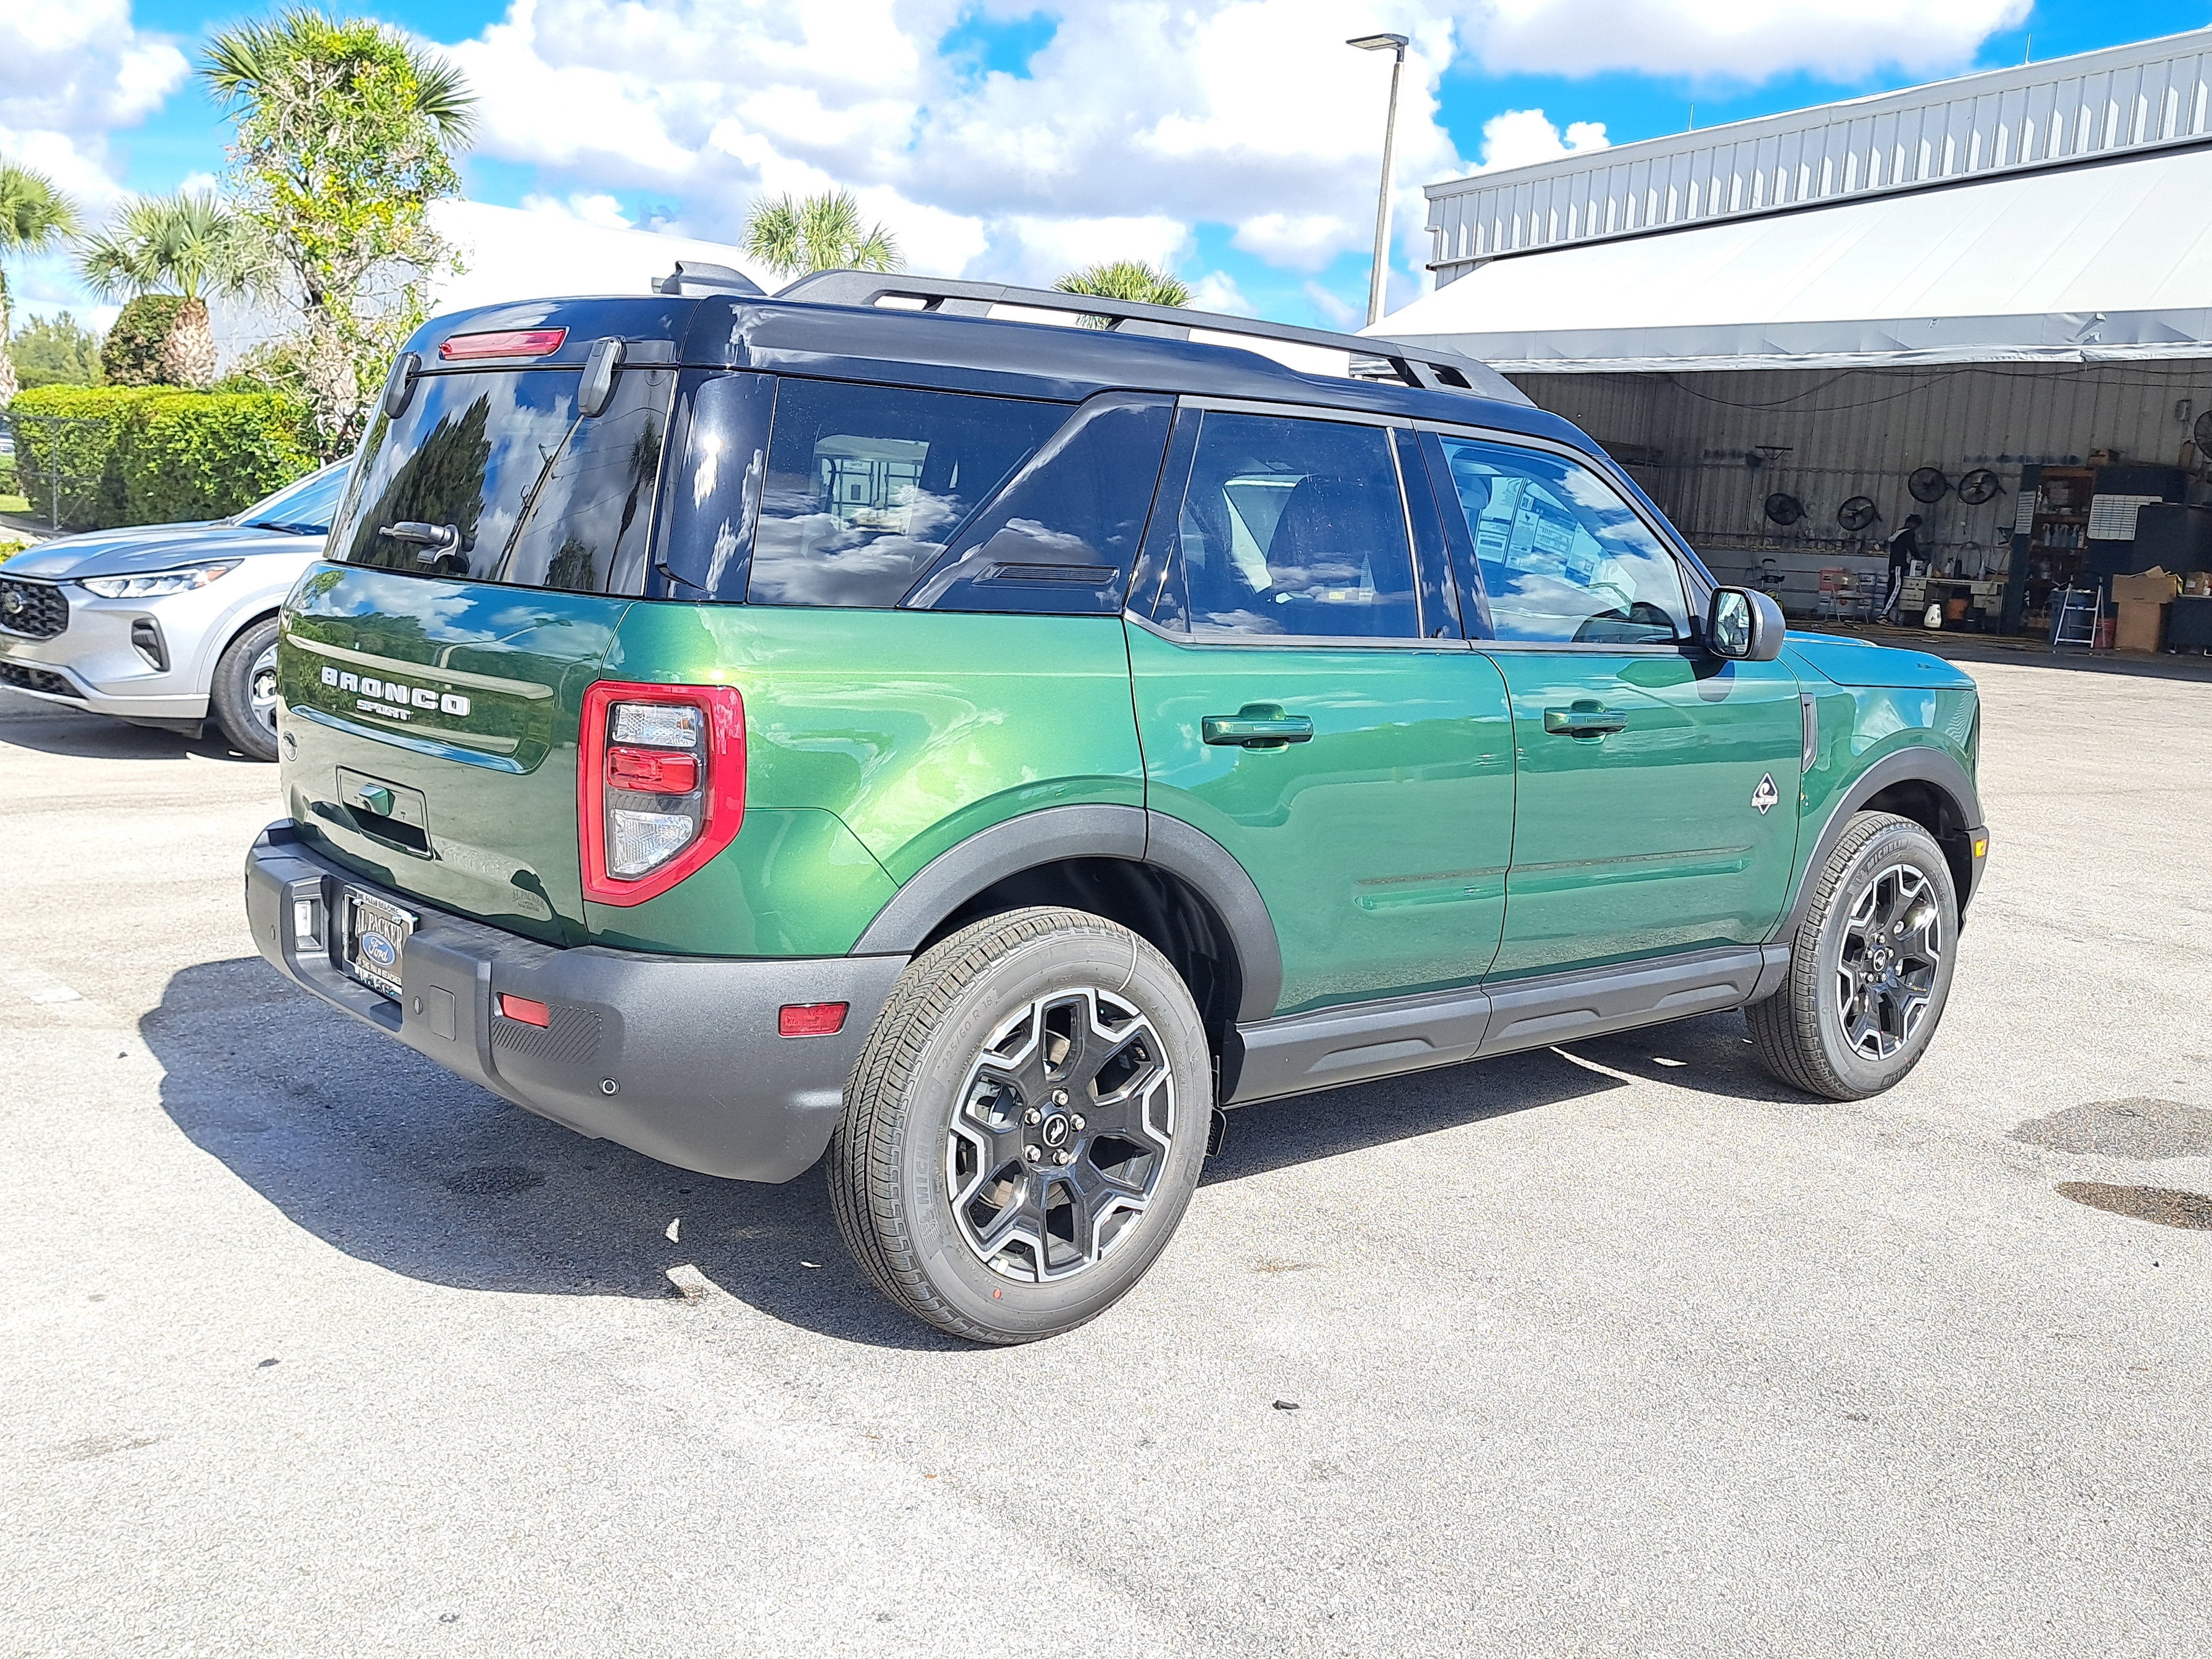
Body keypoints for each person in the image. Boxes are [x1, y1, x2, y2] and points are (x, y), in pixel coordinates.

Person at [1881, 514, 1923, 623]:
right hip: (1899, 566)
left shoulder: (1898, 533)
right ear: (1914, 525)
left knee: (1891, 589)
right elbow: (1913, 548)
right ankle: (1884, 614)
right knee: (1896, 589)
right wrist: (1920, 559)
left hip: (1893, 565)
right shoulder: (1909, 534)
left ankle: (1885, 614)